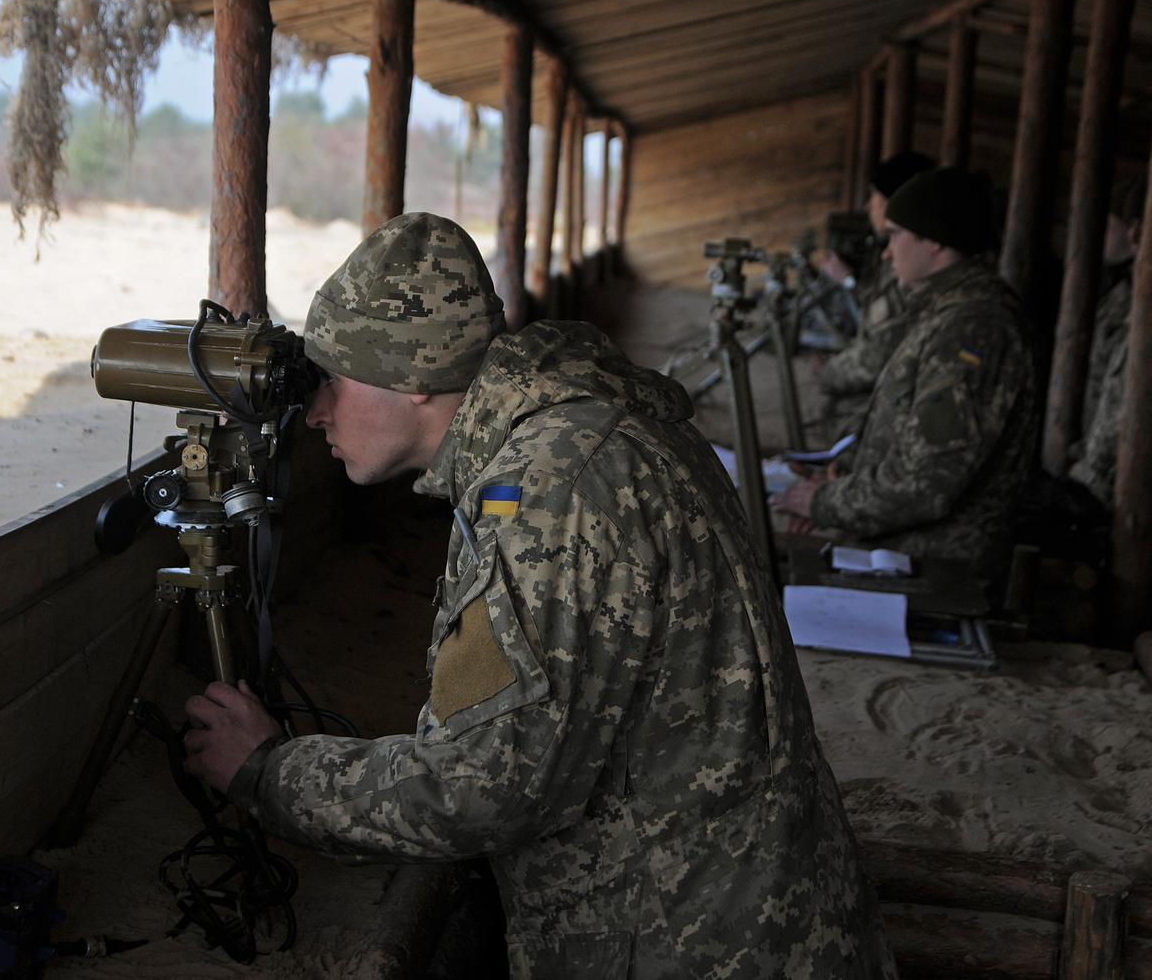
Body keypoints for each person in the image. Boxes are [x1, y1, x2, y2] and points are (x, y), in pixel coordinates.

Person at [181, 212, 896, 977]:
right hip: (754, 903)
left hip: (693, 943)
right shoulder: (582, 424)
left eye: (335, 381)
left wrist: (269, 772)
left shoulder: (552, 489)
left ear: (417, 379)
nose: (316, 411)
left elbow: (486, 788)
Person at [775, 167, 1037, 578]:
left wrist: (824, 503)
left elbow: (926, 482)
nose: (886, 251)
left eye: (896, 234)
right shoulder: (946, 312)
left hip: (933, 563)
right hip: (901, 547)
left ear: (934, 240)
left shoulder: (973, 329)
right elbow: (907, 436)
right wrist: (840, 476)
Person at [817, 151, 936, 440]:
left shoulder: (909, 267)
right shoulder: (898, 259)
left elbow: (876, 355)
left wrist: (828, 372)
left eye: (875, 196)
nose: (868, 205)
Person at [1068, 177, 1145, 508]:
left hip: (1116, 492)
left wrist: (1086, 479)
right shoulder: (1120, 295)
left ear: (1136, 231)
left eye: (1109, 222)